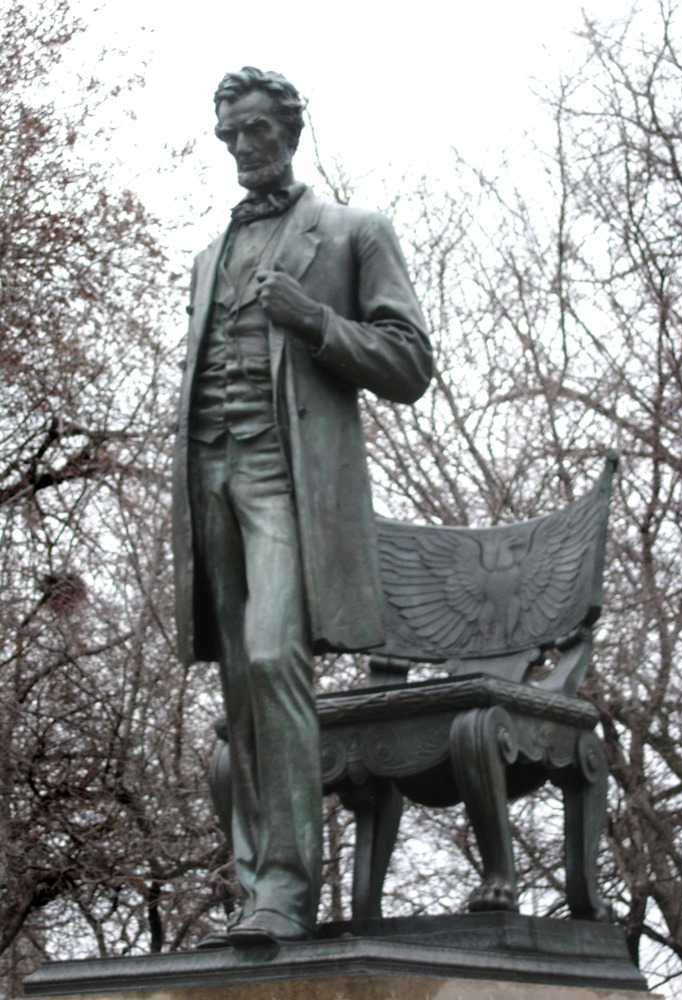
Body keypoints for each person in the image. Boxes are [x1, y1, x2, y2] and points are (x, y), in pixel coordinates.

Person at [171, 67, 432, 946]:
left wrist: (316, 322)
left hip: (288, 478)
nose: (244, 147)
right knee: (239, 683)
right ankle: (257, 892)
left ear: (290, 130)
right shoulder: (209, 256)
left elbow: (409, 365)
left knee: (275, 651)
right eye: (229, 135)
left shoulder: (354, 232)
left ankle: (287, 886)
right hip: (212, 473)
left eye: (256, 129)